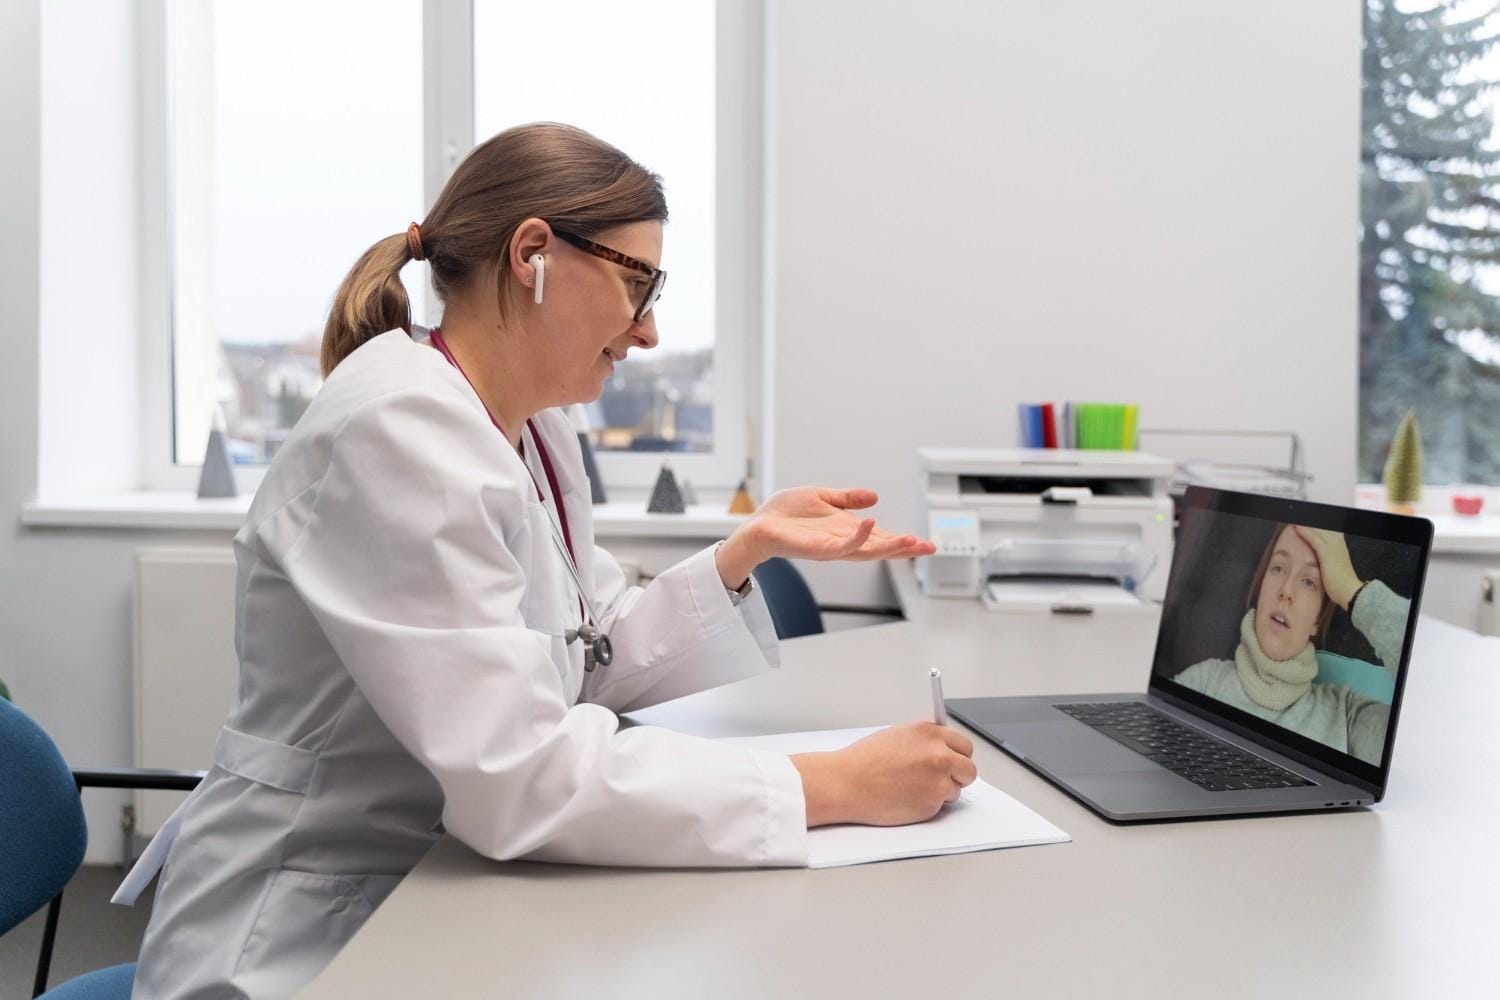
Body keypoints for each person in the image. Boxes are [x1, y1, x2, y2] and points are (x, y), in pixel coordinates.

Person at [117, 123, 975, 998]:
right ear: (532, 254)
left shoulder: (531, 426)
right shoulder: (396, 428)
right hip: (305, 932)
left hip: (437, 884)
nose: (647, 332)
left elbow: (581, 653)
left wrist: (740, 553)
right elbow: (516, 775)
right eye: (637, 284)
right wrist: (830, 784)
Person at [1171, 522, 1410, 766]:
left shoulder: (1349, 720)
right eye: (1278, 568)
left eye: (1309, 582)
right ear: (1261, 587)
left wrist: (1353, 593)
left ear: (1317, 619)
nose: (1286, 590)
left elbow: (1435, 695)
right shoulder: (1203, 682)